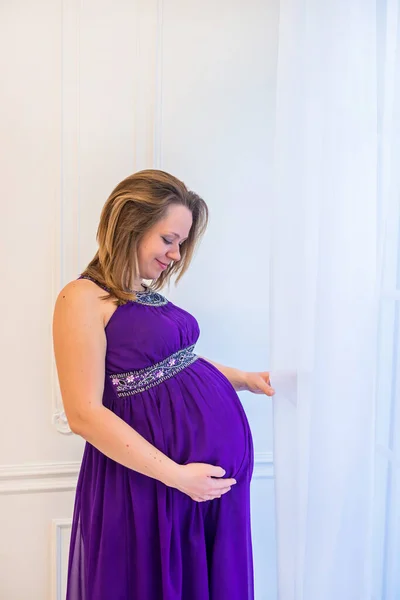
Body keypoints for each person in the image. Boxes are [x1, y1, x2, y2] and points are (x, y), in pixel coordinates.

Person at [52, 169, 275, 600]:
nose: (175, 254)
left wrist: (242, 379)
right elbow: (83, 413)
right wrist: (175, 476)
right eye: (168, 239)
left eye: (181, 243)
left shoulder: (143, 294)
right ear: (130, 226)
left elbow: (176, 365)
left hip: (197, 489)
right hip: (153, 486)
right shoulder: (81, 298)